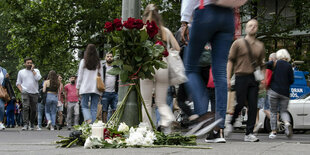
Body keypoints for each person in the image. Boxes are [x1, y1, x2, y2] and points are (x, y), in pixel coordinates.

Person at [181, 0, 235, 143]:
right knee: (220, 73)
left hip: (206, 12)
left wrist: (185, 20)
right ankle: (218, 130)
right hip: (228, 15)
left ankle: (204, 116)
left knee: (190, 68)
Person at [140, 4, 180, 134]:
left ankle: (147, 130)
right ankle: (168, 120)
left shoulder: (142, 30)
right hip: (163, 66)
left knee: (146, 102)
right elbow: (177, 48)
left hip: (146, 66)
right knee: (161, 102)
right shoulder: (165, 31)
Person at [226, 19, 265, 142]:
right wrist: (227, 78)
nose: (253, 27)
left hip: (253, 79)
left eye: (255, 25)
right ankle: (231, 123)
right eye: (250, 25)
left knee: (253, 106)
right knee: (240, 103)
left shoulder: (260, 46)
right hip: (240, 76)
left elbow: (262, 64)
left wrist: (263, 79)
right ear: (246, 28)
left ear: (257, 28)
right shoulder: (238, 43)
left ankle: (249, 133)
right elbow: (230, 60)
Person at [267, 49, 294, 139]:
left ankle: (274, 132)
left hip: (274, 90)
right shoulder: (289, 66)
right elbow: (291, 80)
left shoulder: (275, 63)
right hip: (285, 93)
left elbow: (265, 66)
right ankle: (286, 123)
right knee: (283, 111)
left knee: (273, 112)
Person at [77, 44, 103, 124]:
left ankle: (88, 119)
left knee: (84, 106)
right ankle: (92, 125)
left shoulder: (83, 61)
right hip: (96, 88)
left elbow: (80, 76)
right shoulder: (99, 62)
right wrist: (101, 91)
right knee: (94, 107)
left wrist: (78, 87)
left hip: (85, 87)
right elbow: (101, 77)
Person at [16, 57, 42, 130]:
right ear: (25, 64)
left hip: (34, 92)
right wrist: (21, 90)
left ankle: (32, 123)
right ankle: (25, 124)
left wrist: (33, 70)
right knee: (25, 107)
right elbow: (18, 83)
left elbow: (38, 78)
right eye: (28, 63)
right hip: (25, 92)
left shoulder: (36, 70)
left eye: (31, 63)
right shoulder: (21, 72)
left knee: (33, 109)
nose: (29, 64)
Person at [101, 52, 119, 123]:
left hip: (114, 93)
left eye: (111, 56)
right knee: (104, 110)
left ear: (113, 58)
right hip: (105, 93)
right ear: (105, 58)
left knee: (114, 109)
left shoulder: (116, 68)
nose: (109, 58)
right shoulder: (102, 68)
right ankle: (104, 125)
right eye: (108, 56)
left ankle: (113, 124)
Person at [0, 66, 9, 130]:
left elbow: (7, 82)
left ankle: (0, 123)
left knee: (1, 107)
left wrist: (7, 78)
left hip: (1, 91)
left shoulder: (4, 70)